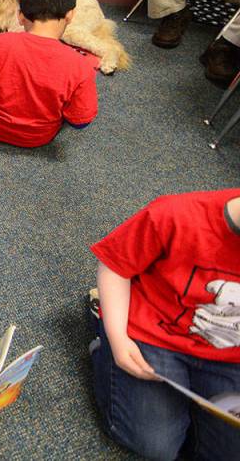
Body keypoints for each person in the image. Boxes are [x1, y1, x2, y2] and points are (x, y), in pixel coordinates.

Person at [90, 188, 240, 459]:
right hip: (156, 334)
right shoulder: (178, 214)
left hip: (229, 353)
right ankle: (99, 326)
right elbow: (114, 266)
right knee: (154, 445)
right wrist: (118, 338)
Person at [0, 0, 97, 148]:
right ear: (70, 15)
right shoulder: (81, 65)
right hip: (39, 138)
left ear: (20, 16)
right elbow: (80, 121)